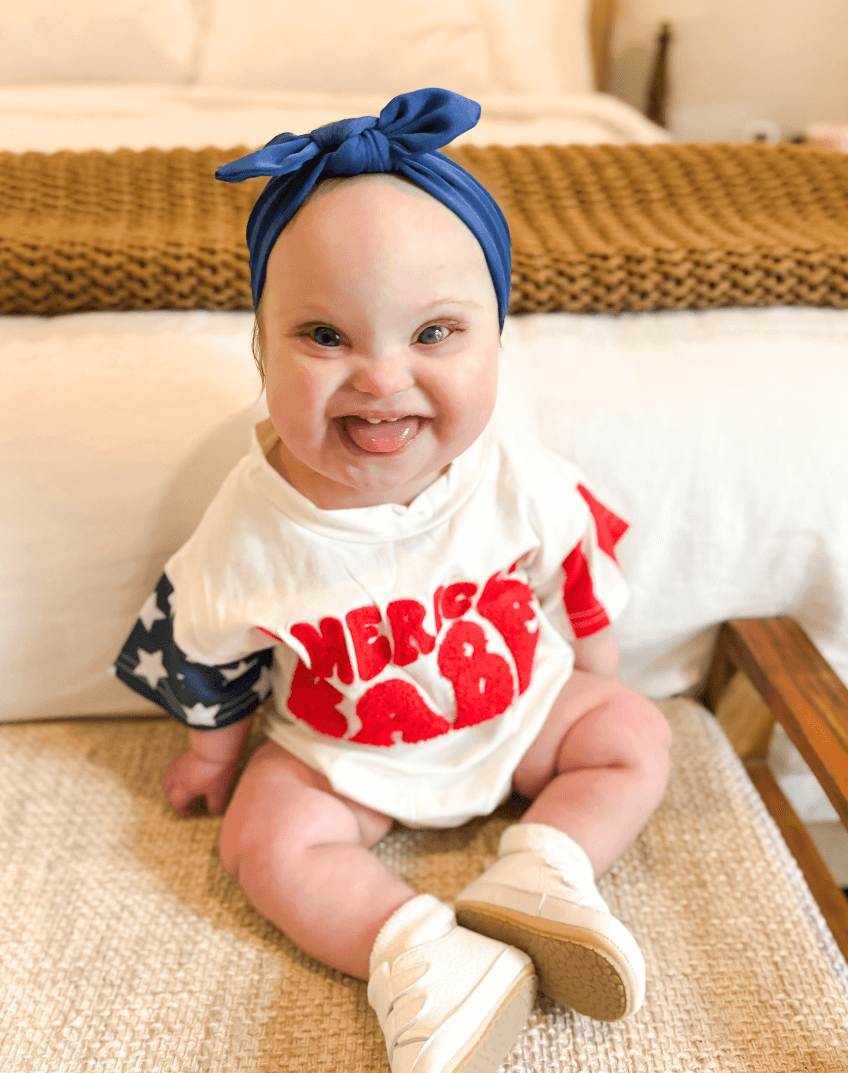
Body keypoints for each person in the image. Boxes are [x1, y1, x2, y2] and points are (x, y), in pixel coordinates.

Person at [115, 88, 672, 1073]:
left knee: (633, 735)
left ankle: (544, 867)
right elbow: (207, 646)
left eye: (433, 334)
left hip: (516, 712)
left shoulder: (513, 472)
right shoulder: (249, 525)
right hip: (338, 748)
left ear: (497, 340)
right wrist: (214, 756)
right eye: (324, 336)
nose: (378, 377)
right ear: (258, 345)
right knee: (263, 843)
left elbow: (573, 557)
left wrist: (597, 660)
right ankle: (419, 951)